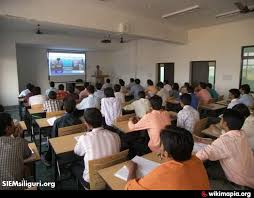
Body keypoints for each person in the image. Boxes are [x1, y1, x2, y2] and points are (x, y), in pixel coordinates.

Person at [125, 126, 210, 190]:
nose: (159, 147)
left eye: (161, 144)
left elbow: (129, 188)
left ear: (166, 154)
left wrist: (132, 169)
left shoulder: (164, 172)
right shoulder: (197, 161)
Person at [196, 109, 254, 189]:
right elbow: (224, 141)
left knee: (204, 169)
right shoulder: (241, 134)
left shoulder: (224, 142)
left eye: (222, 118)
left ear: (224, 123)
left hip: (239, 179)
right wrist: (203, 140)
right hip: (249, 173)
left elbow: (200, 156)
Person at [72, 108, 120, 186]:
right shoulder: (115, 135)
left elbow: (77, 152)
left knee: (74, 166)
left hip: (92, 180)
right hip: (111, 174)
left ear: (87, 124)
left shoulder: (84, 138)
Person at [42, 97, 82, 165]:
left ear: (63, 107)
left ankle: (48, 158)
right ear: (75, 107)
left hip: (62, 149)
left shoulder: (58, 121)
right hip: (76, 146)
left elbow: (54, 138)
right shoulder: (79, 120)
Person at [0, 113, 33, 190]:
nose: (14, 125)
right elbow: (28, 154)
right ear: (7, 129)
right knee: (27, 167)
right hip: (13, 187)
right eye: (12, 123)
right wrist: (19, 137)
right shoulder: (20, 142)